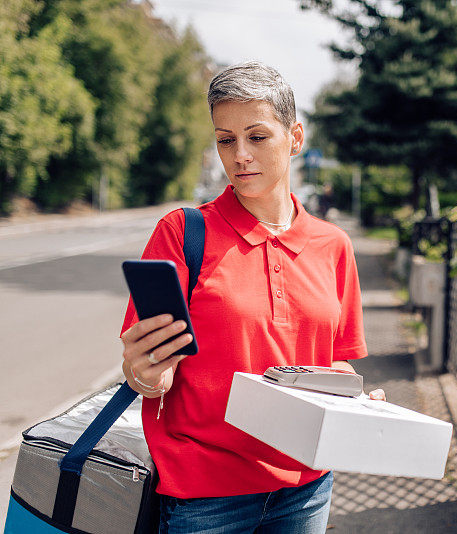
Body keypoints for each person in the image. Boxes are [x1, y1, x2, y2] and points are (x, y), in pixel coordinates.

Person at [119, 61, 385, 533]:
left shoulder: (334, 246)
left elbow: (338, 364)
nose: (240, 155)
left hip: (306, 490)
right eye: (226, 139)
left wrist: (356, 401)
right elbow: (150, 371)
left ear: (295, 138)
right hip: (205, 498)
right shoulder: (183, 233)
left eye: (257, 137)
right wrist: (146, 375)